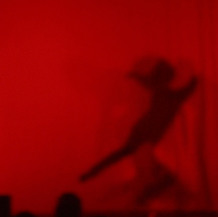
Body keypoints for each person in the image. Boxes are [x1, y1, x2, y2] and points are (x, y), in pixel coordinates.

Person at [80, 58, 197, 204]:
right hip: (145, 139)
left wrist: (92, 173)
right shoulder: (164, 96)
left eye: (142, 82)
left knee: (142, 170)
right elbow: (121, 154)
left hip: (146, 139)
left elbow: (121, 154)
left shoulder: (165, 95)